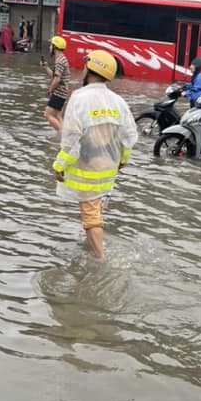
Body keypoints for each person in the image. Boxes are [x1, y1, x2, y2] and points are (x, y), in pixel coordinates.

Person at [52, 50, 137, 259]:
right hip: (108, 169)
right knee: (93, 210)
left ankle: (100, 261)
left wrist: (59, 165)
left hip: (86, 169)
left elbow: (71, 140)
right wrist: (123, 161)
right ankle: (89, 248)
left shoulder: (80, 98)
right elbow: (129, 137)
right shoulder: (118, 101)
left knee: (91, 216)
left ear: (91, 70)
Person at [41, 35, 70, 133]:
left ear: (55, 47)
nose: (49, 48)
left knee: (47, 114)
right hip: (62, 93)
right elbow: (55, 76)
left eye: (51, 46)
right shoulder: (61, 59)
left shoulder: (60, 61)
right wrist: (46, 67)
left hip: (59, 93)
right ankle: (64, 134)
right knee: (57, 116)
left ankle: (62, 135)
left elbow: (57, 80)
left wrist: (50, 89)